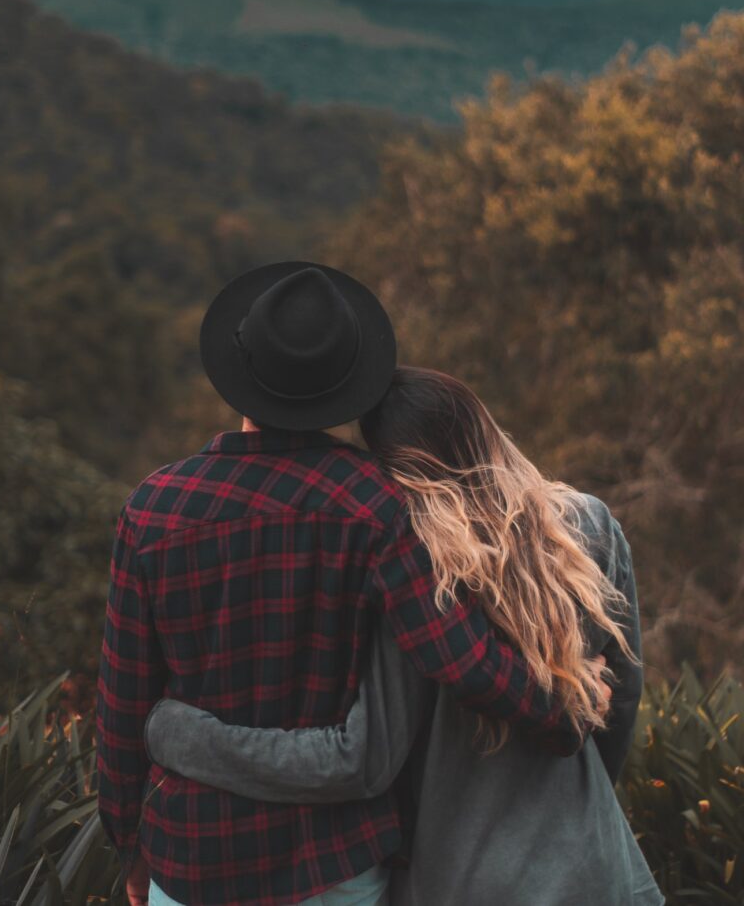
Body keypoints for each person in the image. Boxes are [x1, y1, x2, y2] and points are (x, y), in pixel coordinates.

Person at [96, 264, 607, 906]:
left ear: (240, 377)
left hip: (194, 858)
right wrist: (562, 707)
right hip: (332, 866)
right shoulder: (378, 505)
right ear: (342, 385)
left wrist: (129, 843)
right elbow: (460, 659)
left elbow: (122, 701)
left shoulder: (153, 509)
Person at [143, 365, 665, 905]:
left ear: (392, 470)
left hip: (457, 878)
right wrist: (581, 811)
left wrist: (182, 734)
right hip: (598, 871)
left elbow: (361, 760)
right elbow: (618, 705)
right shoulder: (587, 528)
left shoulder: (421, 572)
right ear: (484, 426)